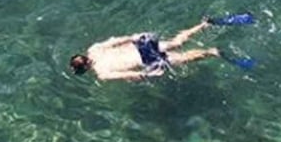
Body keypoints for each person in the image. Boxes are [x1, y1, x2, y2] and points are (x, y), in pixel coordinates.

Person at [69, 15, 253, 81]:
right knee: (176, 43)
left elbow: (128, 75)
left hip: (145, 59)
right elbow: (115, 40)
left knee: (182, 58)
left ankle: (212, 52)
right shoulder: (94, 49)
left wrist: (147, 74)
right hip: (141, 45)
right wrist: (134, 36)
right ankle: (204, 24)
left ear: (85, 68)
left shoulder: (102, 73)